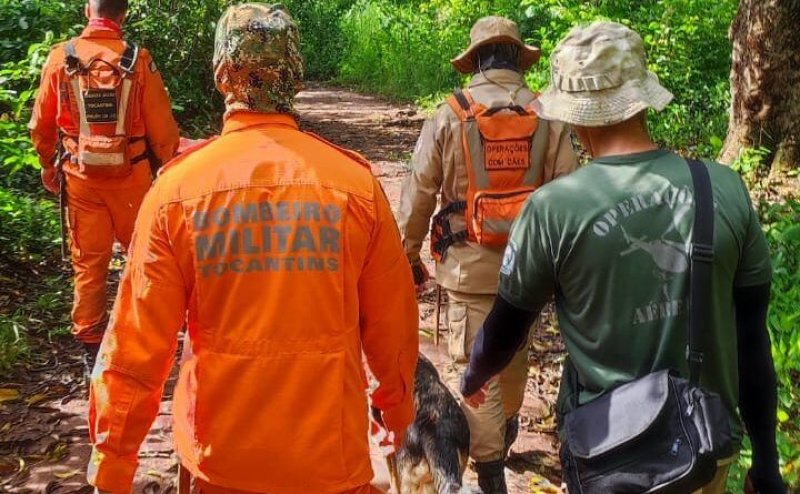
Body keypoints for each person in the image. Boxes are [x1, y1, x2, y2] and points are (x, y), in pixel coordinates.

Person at [86, 4, 419, 493]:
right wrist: (397, 414)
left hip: (219, 463)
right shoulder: (355, 187)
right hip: (330, 461)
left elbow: (136, 347)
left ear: (222, 75)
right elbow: (392, 325)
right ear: (296, 75)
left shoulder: (177, 192)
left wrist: (114, 465)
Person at [461, 22, 785, 494]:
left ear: (574, 117)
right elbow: (752, 341)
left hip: (610, 455)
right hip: (706, 447)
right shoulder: (724, 188)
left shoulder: (552, 209)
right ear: (641, 100)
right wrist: (768, 466)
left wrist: (475, 374)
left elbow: (505, 331)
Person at [397, 15, 578, 493]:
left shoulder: (452, 113)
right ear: (518, 58)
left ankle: (491, 470)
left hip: (467, 267)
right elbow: (569, 193)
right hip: (531, 268)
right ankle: (507, 430)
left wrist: (406, 253)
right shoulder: (548, 114)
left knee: (475, 372)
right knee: (513, 354)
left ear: (474, 61)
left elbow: (419, 190)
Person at [29, 0, 180, 378]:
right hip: (133, 177)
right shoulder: (137, 59)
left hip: (80, 178)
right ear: (123, 14)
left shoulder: (60, 58)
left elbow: (40, 126)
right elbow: (162, 130)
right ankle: (147, 342)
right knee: (146, 260)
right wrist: (170, 168)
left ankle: (90, 348)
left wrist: (49, 165)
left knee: (89, 263)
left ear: (86, 11)